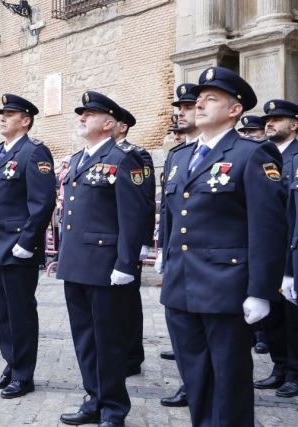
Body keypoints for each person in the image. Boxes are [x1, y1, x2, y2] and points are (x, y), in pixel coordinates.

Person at [160, 67, 286, 426]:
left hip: (226, 287)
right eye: (198, 99)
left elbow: (267, 227)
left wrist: (261, 291)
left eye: (210, 98)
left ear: (235, 110)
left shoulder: (252, 154)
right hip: (181, 287)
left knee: (229, 380)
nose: (199, 104)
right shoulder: (180, 157)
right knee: (195, 377)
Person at [56, 91, 147, 426]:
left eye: (90, 113)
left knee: (108, 342)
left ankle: (113, 408)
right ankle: (93, 398)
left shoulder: (124, 158)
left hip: (106, 267)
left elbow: (133, 217)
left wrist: (126, 264)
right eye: (81, 113)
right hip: (76, 264)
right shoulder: (80, 159)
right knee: (85, 339)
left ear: (109, 124)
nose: (82, 117)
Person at [0, 94, 57, 398]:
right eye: (2, 113)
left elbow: (42, 202)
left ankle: (24, 374)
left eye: (9, 113)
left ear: (25, 120)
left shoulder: (34, 152)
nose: (2, 117)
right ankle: (11, 363)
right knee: (2, 313)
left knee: (20, 313)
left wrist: (26, 243)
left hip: (16, 248)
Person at [156, 83, 201, 409]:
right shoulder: (177, 155)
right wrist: (162, 249)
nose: (180, 113)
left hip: (217, 267)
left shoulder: (249, 153)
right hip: (179, 260)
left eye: (187, 107)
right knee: (184, 334)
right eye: (179, 107)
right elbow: (169, 212)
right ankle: (191, 384)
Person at [255, 99, 298, 398]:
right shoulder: (262, 156)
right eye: (268, 119)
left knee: (294, 316)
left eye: (278, 119)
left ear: (294, 125)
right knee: (273, 315)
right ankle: (279, 366)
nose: (269, 123)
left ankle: (295, 372)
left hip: (291, 250)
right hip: (267, 250)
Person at [114, 106, 155, 378]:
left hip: (127, 241)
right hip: (105, 243)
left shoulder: (136, 155)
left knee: (127, 301)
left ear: (122, 127)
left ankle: (132, 355)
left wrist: (143, 240)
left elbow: (145, 200)